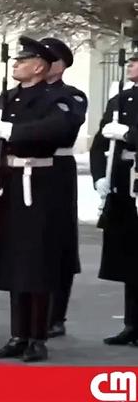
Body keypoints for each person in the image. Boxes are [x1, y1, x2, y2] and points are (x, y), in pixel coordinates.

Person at [0, 36, 77, 362]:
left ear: (38, 67)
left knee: (37, 262)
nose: (16, 64)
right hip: (9, 183)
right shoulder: (6, 99)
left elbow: (59, 128)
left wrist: (14, 132)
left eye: (23, 60)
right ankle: (18, 335)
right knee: (14, 260)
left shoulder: (56, 98)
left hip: (41, 185)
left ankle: (37, 336)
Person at [40, 37, 87, 338]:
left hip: (57, 170)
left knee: (58, 242)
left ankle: (55, 315)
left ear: (60, 65)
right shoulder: (21, 95)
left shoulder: (72, 96)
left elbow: (64, 128)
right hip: (22, 172)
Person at [90, 50, 138, 347]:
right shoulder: (120, 100)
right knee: (130, 257)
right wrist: (99, 176)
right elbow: (99, 143)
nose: (131, 64)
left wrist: (129, 134)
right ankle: (132, 323)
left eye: (137, 60)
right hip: (123, 180)